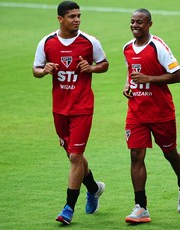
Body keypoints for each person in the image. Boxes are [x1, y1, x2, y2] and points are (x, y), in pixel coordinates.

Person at [32, 1, 109, 225]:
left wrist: (91, 67)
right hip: (59, 109)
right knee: (73, 156)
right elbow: (35, 69)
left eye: (79, 16)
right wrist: (43, 70)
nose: (77, 19)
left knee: (75, 157)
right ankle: (94, 188)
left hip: (82, 108)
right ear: (60, 19)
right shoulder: (46, 43)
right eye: (72, 16)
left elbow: (104, 63)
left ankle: (68, 208)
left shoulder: (89, 41)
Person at [122, 8, 180, 224]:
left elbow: (178, 76)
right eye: (132, 22)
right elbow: (131, 73)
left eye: (140, 23)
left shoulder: (158, 47)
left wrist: (148, 79)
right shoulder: (127, 48)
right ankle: (140, 206)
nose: (135, 26)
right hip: (136, 111)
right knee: (136, 155)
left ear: (149, 25)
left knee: (170, 152)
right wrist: (128, 85)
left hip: (161, 111)